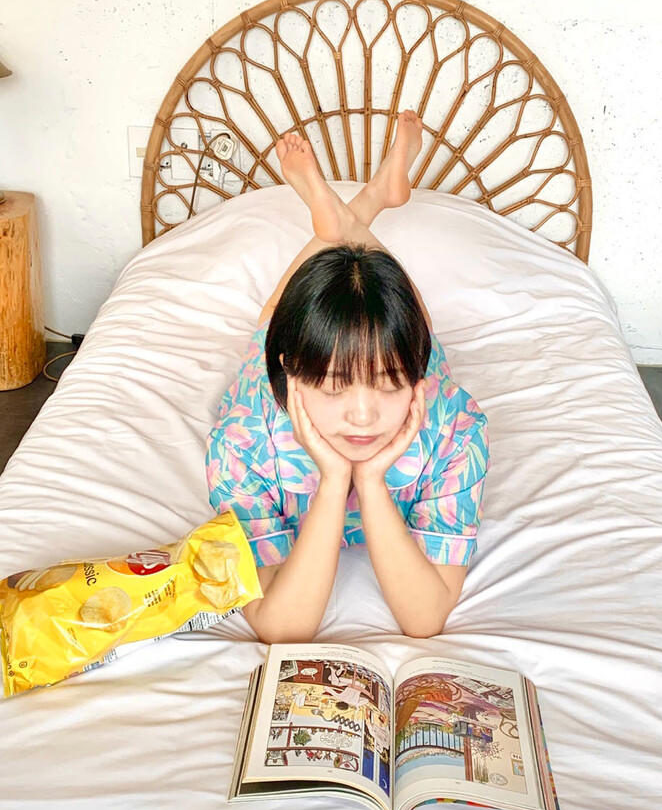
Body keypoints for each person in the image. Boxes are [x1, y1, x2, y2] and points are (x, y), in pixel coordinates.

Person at [205, 110, 489, 643]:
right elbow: (280, 626)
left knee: (387, 304)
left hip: (401, 357)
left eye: (389, 383)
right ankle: (364, 206)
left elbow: (425, 618)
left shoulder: (452, 426)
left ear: (415, 376)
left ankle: (354, 211)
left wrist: (371, 480)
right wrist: (336, 481)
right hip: (282, 371)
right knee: (279, 314)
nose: (363, 415)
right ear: (292, 375)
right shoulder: (245, 439)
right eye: (335, 387)